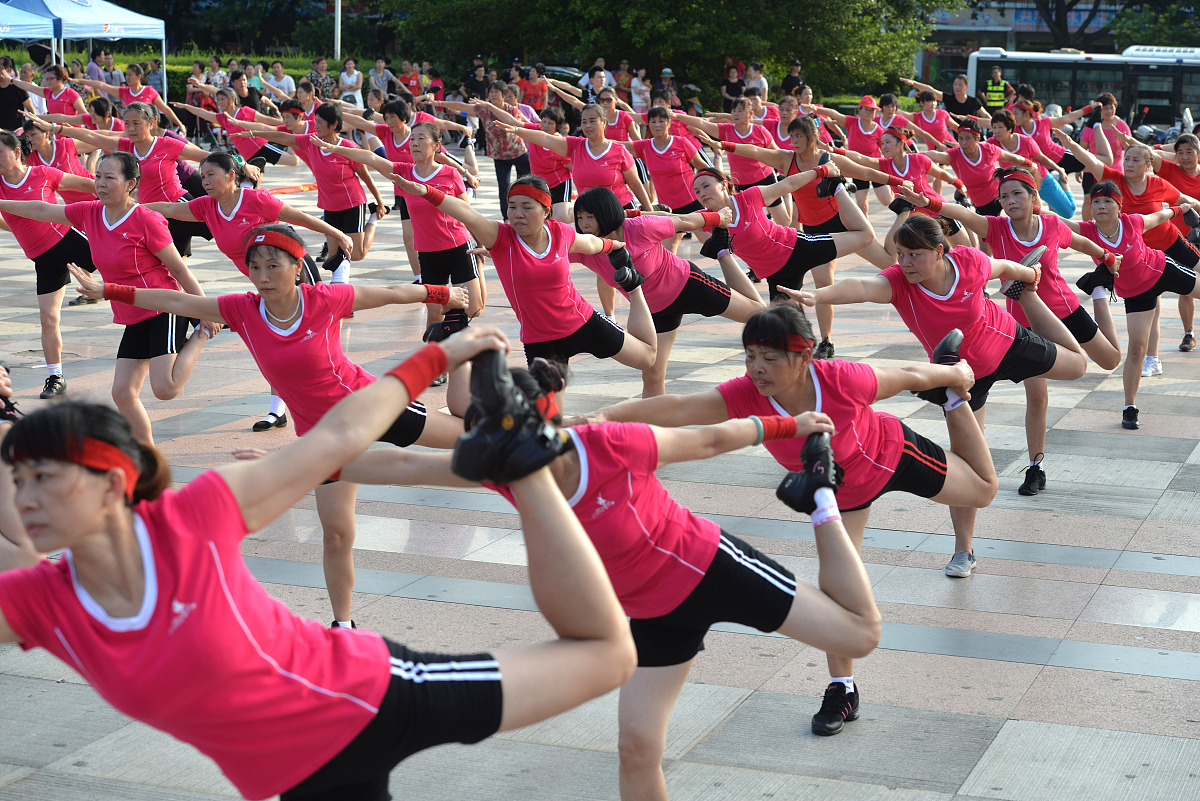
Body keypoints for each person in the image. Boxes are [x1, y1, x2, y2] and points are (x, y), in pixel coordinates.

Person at [0, 327, 641, 801]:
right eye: (14, 480)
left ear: (111, 483)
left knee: (608, 655)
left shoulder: (187, 520)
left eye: (40, 477)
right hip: (303, 778)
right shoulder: (41, 601)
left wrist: (439, 358)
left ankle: (523, 463)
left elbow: (334, 437)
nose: (22, 497)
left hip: (375, 698)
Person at [324, 357, 883, 799]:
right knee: (636, 749)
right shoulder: (509, 471)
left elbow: (710, 439)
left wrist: (792, 424)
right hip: (650, 618)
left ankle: (821, 500)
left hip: (707, 567)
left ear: (537, 428)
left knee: (859, 636)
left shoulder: (610, 444)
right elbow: (401, 464)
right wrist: (293, 462)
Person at [583, 295, 1000, 737]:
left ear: (802, 358)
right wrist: (604, 417)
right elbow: (679, 409)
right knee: (836, 586)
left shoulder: (841, 378)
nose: (756, 367)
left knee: (984, 490)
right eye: (749, 356)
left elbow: (910, 375)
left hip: (891, 455)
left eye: (768, 357)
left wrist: (954, 374)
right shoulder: (747, 394)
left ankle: (954, 403)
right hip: (837, 492)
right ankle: (842, 688)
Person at [67, 220, 473, 620]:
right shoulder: (241, 309)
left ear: (298, 266)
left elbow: (390, 292)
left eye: (273, 265)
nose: (262, 276)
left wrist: (443, 294)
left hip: (367, 404)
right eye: (255, 267)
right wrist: (109, 290)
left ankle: (466, 357)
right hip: (322, 435)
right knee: (336, 534)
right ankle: (344, 624)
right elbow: (175, 302)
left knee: (470, 436)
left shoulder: (323, 300)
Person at [902, 169, 1123, 494]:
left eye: (1017, 193)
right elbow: (962, 213)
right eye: (1004, 196)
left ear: (1034, 197)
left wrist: (1105, 256)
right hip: (1024, 318)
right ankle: (1036, 467)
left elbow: (1079, 241)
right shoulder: (997, 228)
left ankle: (1100, 292)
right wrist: (931, 202)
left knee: (1110, 359)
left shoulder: (1051, 225)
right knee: (1037, 395)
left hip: (1065, 309)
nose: (1009, 201)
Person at [0, 151, 216, 444]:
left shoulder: (146, 219)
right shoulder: (90, 212)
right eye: (98, 176)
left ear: (130, 184)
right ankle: (148, 457)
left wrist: (204, 310)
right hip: (132, 313)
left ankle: (201, 333)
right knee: (122, 393)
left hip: (162, 308)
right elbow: (41, 211)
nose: (100, 183)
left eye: (110, 177)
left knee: (165, 389)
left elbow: (178, 268)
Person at [393, 173, 659, 378]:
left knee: (647, 357)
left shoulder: (560, 233)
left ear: (546, 211)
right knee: (547, 420)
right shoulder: (501, 238)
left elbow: (589, 244)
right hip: (541, 342)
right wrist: (425, 191)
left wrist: (615, 246)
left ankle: (635, 290)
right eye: (512, 206)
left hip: (583, 322)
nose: (517, 213)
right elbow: (466, 213)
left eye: (526, 206)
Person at [695, 116, 899, 353]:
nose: (794, 140)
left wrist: (899, 182)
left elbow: (866, 171)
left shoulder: (828, 159)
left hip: (833, 223)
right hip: (811, 231)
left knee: (886, 258)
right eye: (791, 136)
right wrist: (725, 145)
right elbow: (755, 151)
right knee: (818, 290)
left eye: (799, 135)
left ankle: (848, 191)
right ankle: (825, 341)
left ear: (813, 137)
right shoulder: (786, 158)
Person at [572, 188, 764, 395]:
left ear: (606, 213)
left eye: (590, 217)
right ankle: (654, 427)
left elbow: (684, 221)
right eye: (580, 218)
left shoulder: (640, 228)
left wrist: (719, 218)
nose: (584, 225)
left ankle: (721, 252)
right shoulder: (585, 248)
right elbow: (549, 239)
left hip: (687, 285)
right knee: (652, 375)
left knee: (758, 314)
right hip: (654, 311)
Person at [314, 126, 486, 337]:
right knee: (434, 313)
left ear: (436, 146)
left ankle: (475, 274)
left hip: (459, 247)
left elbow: (466, 212)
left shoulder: (450, 174)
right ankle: (436, 363)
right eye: (412, 139)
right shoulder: (403, 172)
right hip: (428, 254)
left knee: (474, 309)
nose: (414, 143)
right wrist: (335, 148)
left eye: (421, 139)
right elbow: (371, 158)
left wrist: (480, 243)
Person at [1057, 128, 1200, 364]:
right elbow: (1090, 160)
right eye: (1126, 158)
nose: (1129, 163)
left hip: (1170, 241)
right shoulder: (1115, 180)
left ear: (1148, 165)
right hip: (1142, 254)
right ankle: (1151, 359)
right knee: (1152, 304)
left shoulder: (1158, 184)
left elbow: (1185, 201)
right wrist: (1070, 142)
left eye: (1135, 159)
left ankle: (1188, 332)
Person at [497, 102, 653, 315]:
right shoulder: (575, 146)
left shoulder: (619, 150)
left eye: (592, 120)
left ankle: (651, 305)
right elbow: (546, 138)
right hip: (591, 219)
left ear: (604, 123)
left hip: (621, 214)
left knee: (637, 260)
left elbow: (634, 183)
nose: (587, 125)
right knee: (604, 268)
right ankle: (611, 316)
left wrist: (649, 207)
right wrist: (517, 130)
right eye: (584, 121)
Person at [36, 102, 215, 259]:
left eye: (136, 123)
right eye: (127, 124)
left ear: (151, 123)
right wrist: (54, 128)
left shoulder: (165, 145)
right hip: (153, 213)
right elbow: (93, 137)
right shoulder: (126, 147)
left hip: (177, 204)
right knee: (169, 262)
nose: (131, 129)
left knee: (220, 227)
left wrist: (238, 167)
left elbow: (206, 156)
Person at [233, 103, 388, 283]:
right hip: (329, 206)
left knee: (357, 254)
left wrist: (379, 201)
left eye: (320, 122)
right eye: (315, 121)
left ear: (333, 125)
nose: (316, 125)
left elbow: (365, 176)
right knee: (333, 256)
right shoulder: (310, 142)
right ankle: (339, 290)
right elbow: (281, 136)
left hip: (353, 204)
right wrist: (253, 133)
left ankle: (373, 221)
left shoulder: (348, 147)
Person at [691, 162, 877, 304]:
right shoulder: (707, 219)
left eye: (706, 186)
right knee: (785, 330)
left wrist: (822, 171)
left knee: (866, 236)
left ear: (723, 184)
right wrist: (660, 211)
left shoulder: (748, 198)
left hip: (798, 248)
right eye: (697, 191)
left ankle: (837, 187)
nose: (702, 193)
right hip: (778, 276)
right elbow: (676, 219)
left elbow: (787, 185)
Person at [0, 130, 97, 399]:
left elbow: (88, 184)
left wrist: (121, 202)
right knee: (48, 318)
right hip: (42, 258)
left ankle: (180, 313)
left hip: (70, 242)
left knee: (125, 278)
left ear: (17, 152)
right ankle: (56, 376)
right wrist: (18, 230)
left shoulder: (42, 174)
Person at [676, 97, 790, 227]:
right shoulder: (727, 130)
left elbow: (777, 154)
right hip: (740, 184)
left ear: (750, 114)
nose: (736, 114)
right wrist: (675, 115)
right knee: (745, 223)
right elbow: (703, 124)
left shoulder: (760, 131)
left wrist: (786, 172)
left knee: (784, 222)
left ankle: (787, 196)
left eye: (740, 111)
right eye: (734, 111)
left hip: (764, 179)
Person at [434, 82, 532, 221]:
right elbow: (463, 107)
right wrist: (438, 102)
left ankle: (530, 213)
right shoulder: (484, 110)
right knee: (503, 187)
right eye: (491, 92)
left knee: (526, 183)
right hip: (499, 156)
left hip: (518, 153)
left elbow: (525, 124)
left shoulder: (511, 110)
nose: (493, 95)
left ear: (503, 95)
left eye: (496, 92)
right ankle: (507, 218)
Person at [809, 96, 893, 214]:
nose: (869, 112)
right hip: (857, 168)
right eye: (867, 109)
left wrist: (891, 165)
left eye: (872, 110)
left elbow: (886, 149)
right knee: (862, 205)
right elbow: (835, 114)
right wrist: (814, 108)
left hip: (874, 166)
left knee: (886, 200)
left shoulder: (879, 130)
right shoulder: (852, 122)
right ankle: (866, 230)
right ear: (860, 110)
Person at [72, 63, 186, 132]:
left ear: (139, 76)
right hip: (131, 130)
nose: (127, 77)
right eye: (126, 74)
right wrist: (80, 80)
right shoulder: (124, 92)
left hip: (148, 130)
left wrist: (180, 124)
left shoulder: (149, 91)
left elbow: (165, 109)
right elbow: (102, 85)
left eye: (130, 75)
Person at [12, 65, 85, 117]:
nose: (48, 81)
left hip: (72, 135)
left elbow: (85, 114)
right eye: (47, 79)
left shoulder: (70, 93)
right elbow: (29, 87)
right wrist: (11, 80)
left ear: (60, 78)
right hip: (57, 134)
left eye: (51, 78)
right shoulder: (48, 92)